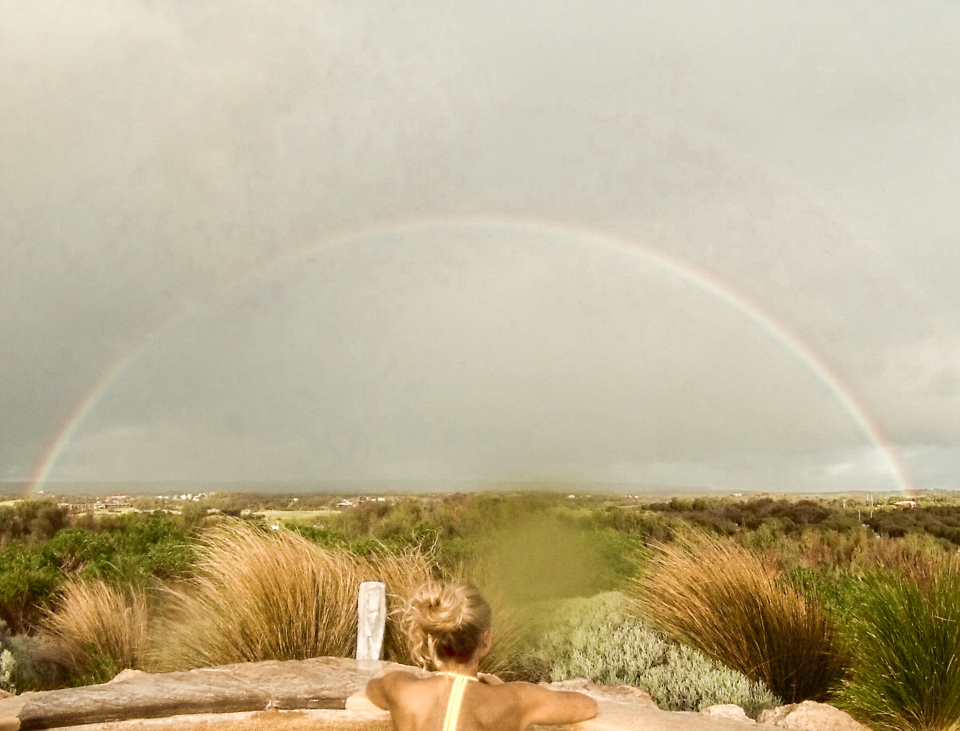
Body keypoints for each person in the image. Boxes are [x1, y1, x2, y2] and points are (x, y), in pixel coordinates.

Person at [365, 580, 598, 731]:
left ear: (430, 638)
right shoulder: (516, 699)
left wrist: (419, 680)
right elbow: (586, 706)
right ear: (485, 639)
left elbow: (371, 690)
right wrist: (502, 688)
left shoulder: (400, 688)